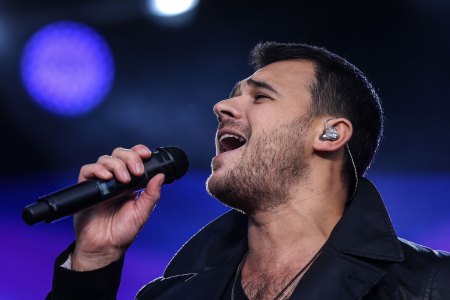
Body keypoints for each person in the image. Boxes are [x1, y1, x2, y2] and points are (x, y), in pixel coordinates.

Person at [47, 42, 450, 300]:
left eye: (260, 96)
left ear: (330, 133)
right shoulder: (170, 296)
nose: (221, 107)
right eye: (232, 95)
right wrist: (93, 261)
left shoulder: (430, 286)